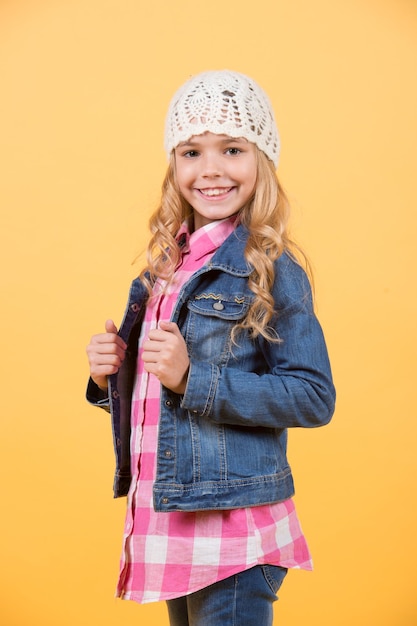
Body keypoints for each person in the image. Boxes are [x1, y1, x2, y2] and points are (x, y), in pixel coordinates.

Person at [86, 69, 335, 626]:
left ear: (262, 160)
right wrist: (110, 377)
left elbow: (313, 396)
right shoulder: (164, 271)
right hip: (174, 518)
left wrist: (191, 379)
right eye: (192, 151)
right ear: (173, 165)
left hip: (235, 533)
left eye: (232, 149)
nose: (211, 169)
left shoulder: (270, 270)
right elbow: (159, 398)